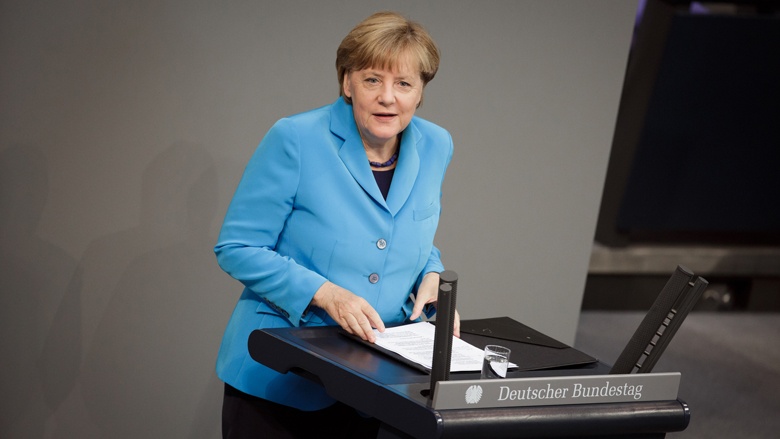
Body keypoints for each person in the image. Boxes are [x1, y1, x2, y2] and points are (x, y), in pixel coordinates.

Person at [214, 11, 459, 438]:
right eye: (372, 80)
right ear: (346, 83)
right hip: (280, 379)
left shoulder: (436, 144)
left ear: (420, 92)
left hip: (372, 385)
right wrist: (326, 294)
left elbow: (405, 231)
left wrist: (431, 272)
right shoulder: (296, 138)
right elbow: (237, 247)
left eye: (404, 83)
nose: (388, 97)